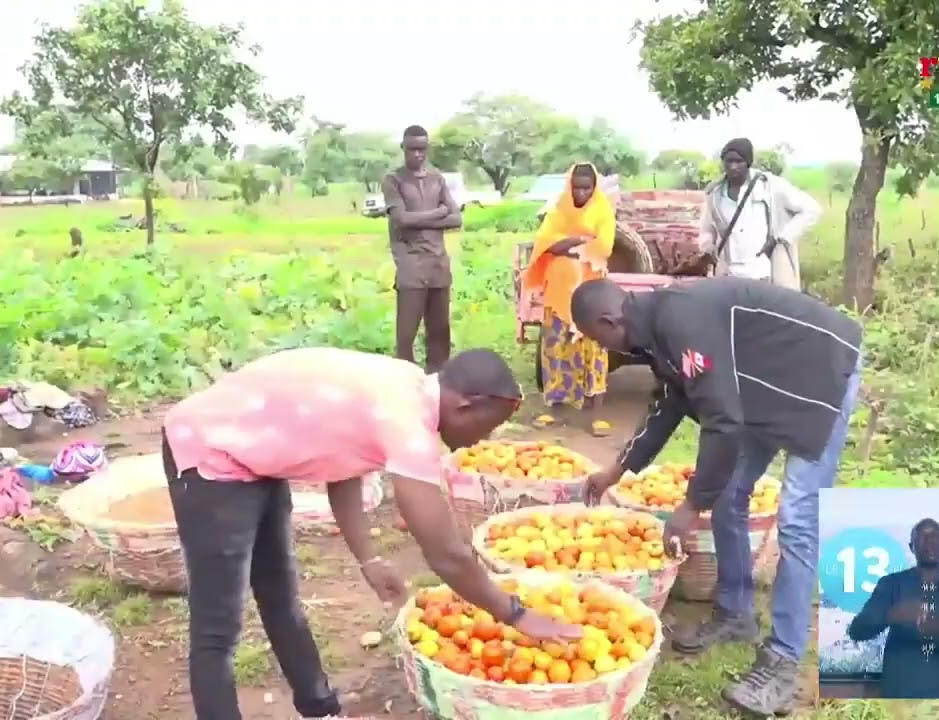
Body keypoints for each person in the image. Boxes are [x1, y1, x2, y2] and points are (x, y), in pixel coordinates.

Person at [161, 346, 582, 720]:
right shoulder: (406, 421)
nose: (483, 439)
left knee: (280, 594)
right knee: (218, 625)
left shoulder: (410, 386)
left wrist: (369, 557)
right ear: (466, 406)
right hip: (210, 449)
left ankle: (320, 710)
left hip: (254, 451)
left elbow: (343, 462)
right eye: (487, 426)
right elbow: (446, 554)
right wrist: (517, 615)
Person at [570, 276, 864, 716]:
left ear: (609, 322)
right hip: (766, 384)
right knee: (728, 493)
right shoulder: (654, 333)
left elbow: (722, 422)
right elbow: (669, 404)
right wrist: (617, 470)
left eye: (598, 340)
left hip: (821, 371)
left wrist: (691, 506)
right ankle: (736, 613)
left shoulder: (679, 319)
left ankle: (783, 662)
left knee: (798, 521)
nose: (604, 350)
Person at [847, 519, 939, 699]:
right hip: (898, 695)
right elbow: (856, 631)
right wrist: (891, 616)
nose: (930, 542)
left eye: (936, 536)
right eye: (923, 537)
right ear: (911, 546)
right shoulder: (891, 585)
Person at [522, 162, 614, 437]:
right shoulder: (559, 208)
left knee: (594, 350)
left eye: (587, 188)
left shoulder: (602, 210)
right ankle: (555, 409)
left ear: (594, 188)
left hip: (591, 294)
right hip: (558, 294)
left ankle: (595, 414)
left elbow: (604, 246)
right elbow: (545, 242)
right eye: (577, 187)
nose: (581, 193)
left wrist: (564, 244)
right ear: (569, 186)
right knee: (555, 349)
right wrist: (580, 239)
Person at [382, 125, 463, 372]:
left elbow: (456, 219)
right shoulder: (393, 180)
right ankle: (405, 381)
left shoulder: (436, 179)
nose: (417, 154)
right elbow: (401, 220)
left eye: (422, 149)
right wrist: (439, 212)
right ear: (403, 148)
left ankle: (437, 381)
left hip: (438, 264)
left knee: (439, 333)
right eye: (412, 149)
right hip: (411, 265)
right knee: (406, 335)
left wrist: (422, 219)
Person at [692, 137, 822, 290]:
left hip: (762, 273)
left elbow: (811, 210)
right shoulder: (715, 194)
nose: (733, 166)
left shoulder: (770, 186)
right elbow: (707, 229)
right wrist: (708, 247)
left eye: (738, 161)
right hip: (729, 275)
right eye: (729, 161)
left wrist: (780, 237)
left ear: (748, 162)